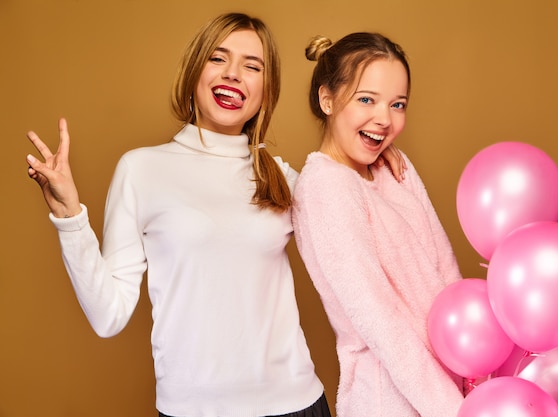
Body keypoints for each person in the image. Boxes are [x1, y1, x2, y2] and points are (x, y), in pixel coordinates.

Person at [25, 13, 406, 417]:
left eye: (252, 66)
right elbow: (108, 316)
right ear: (194, 71)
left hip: (295, 404)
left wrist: (377, 160)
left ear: (266, 89)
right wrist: (69, 216)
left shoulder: (284, 177)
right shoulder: (141, 169)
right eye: (218, 59)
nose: (234, 74)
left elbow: (370, 248)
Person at [291, 32, 466, 417]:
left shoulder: (395, 170)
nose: (384, 119)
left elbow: (446, 271)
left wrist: (473, 365)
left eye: (398, 104)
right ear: (328, 99)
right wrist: (454, 410)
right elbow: (379, 321)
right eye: (366, 99)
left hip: (454, 383)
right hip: (389, 398)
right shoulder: (325, 186)